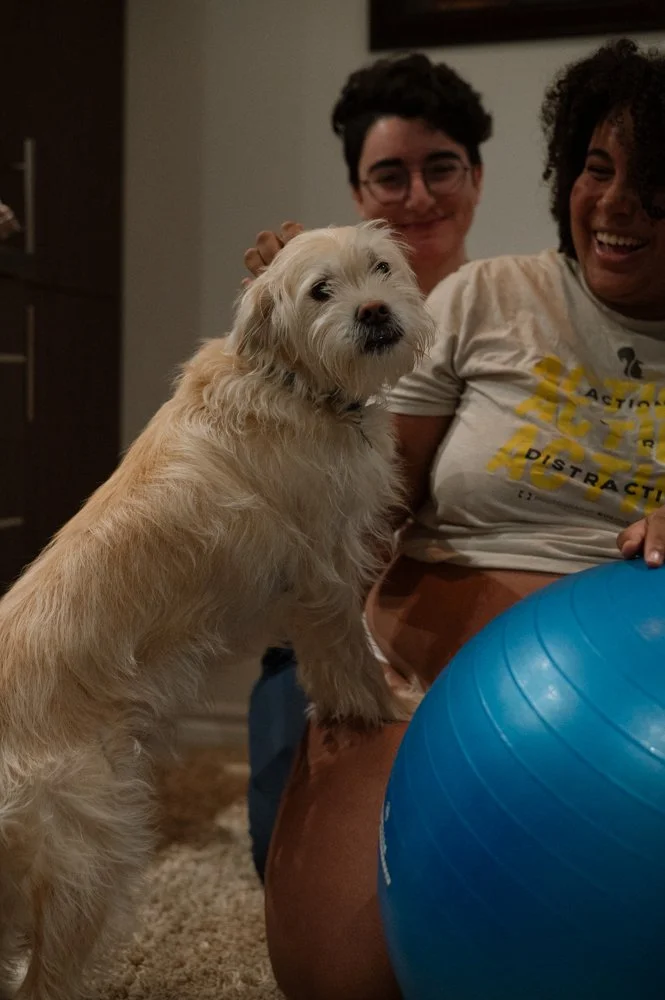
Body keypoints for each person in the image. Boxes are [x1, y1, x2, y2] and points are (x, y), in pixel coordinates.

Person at [244, 37, 665, 1000]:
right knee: (338, 979)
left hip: (625, 720)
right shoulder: (486, 296)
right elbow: (375, 494)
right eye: (596, 167)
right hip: (414, 668)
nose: (614, 205)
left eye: (653, 184)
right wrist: (337, 659)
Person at [246, 51, 492, 885]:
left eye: (440, 168)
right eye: (389, 176)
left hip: (450, 613)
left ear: (477, 178)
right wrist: (287, 306)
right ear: (357, 193)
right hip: (324, 616)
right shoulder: (308, 309)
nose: (417, 197)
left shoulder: (511, 311)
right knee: (292, 863)